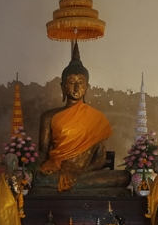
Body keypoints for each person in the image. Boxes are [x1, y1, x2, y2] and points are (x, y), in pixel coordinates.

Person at [33, 43, 130, 192]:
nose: (76, 88)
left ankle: (76, 182)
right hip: (56, 173)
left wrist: (80, 173)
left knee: (124, 176)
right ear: (63, 86)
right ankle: (74, 182)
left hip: (85, 174)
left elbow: (100, 159)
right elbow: (43, 153)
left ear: (87, 87)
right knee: (36, 178)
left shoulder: (97, 118)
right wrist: (34, 168)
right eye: (71, 82)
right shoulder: (48, 117)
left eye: (81, 83)